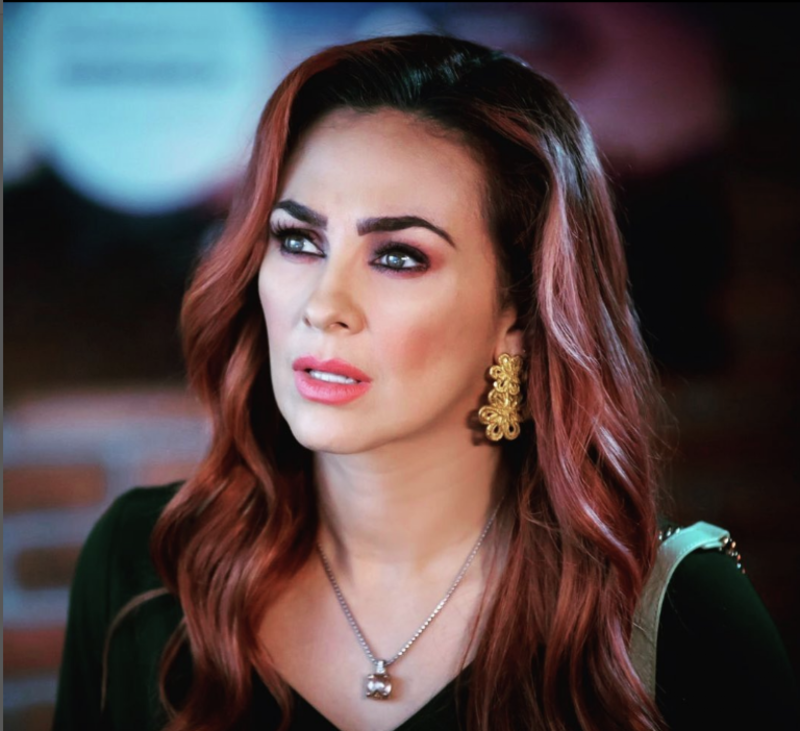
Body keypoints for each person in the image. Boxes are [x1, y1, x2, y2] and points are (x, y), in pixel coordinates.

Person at [52, 32, 798, 731]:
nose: (323, 305)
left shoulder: (680, 617)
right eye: (298, 240)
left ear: (518, 312)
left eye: (398, 256)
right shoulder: (144, 569)